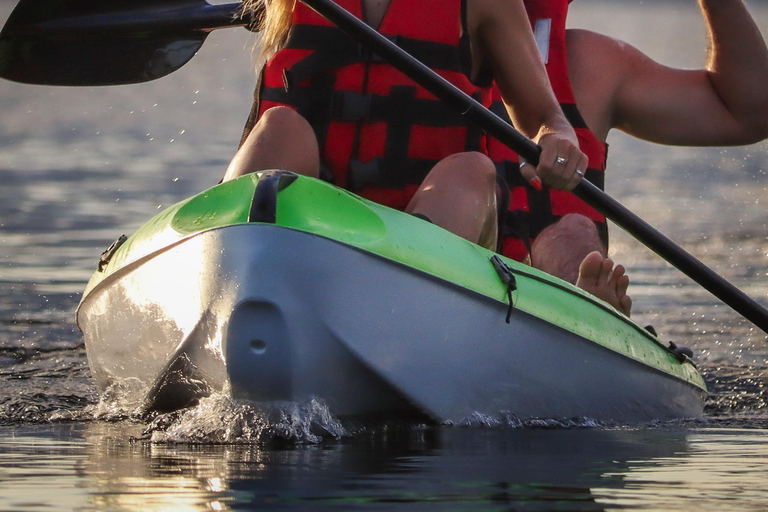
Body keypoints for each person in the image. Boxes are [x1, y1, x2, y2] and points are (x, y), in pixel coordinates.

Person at [225, 0, 587, 253]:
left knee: (470, 170)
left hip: (432, 227)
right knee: (280, 127)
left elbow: (546, 119)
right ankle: (235, 255)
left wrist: (559, 139)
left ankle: (410, 302)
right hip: (304, 229)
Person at [488, 0, 768, 316]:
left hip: (549, 297)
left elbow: (747, 113)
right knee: (461, 183)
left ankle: (586, 307)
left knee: (571, 233)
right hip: (447, 257)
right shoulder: (422, 52)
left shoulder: (589, 63)